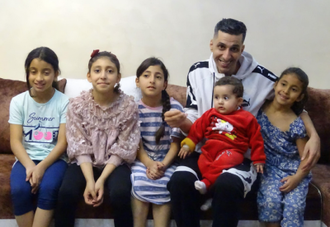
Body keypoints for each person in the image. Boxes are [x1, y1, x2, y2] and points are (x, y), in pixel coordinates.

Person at [164, 18, 320, 227]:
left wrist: (314, 135)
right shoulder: (196, 72)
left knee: (227, 185)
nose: (226, 56)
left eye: (234, 49)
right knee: (179, 181)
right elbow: (192, 115)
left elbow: (291, 102)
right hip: (204, 151)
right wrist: (183, 121)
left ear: (242, 49)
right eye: (221, 47)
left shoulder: (263, 78)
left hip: (239, 156)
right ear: (211, 44)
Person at [55, 50, 140, 227]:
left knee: (120, 193)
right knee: (66, 193)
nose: (103, 76)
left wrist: (100, 180)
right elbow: (79, 145)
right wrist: (90, 181)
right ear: (89, 76)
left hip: (115, 163)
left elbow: (124, 146)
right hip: (84, 163)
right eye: (97, 70)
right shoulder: (77, 105)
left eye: (110, 71)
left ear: (118, 77)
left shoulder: (129, 106)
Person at [9, 47, 69, 227]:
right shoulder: (18, 101)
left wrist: (41, 167)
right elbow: (15, 141)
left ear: (56, 73)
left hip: (55, 159)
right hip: (26, 158)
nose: (39, 78)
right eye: (33, 72)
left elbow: (62, 143)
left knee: (49, 188)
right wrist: (30, 166)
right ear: (27, 73)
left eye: (46, 72)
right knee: (19, 189)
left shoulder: (64, 102)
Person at [179, 77, 265, 195]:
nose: (220, 102)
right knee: (202, 162)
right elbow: (197, 128)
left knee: (224, 161)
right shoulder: (210, 114)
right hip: (210, 149)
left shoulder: (247, 118)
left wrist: (258, 159)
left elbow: (256, 139)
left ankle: (207, 183)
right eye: (216, 97)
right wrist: (188, 144)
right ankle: (210, 188)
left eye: (225, 98)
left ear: (239, 101)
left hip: (232, 151)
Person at [130, 57, 184, 227]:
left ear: (165, 84)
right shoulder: (133, 109)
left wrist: (162, 166)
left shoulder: (174, 108)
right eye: (147, 75)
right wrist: (149, 164)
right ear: (138, 82)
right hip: (143, 160)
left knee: (165, 182)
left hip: (167, 161)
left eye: (158, 77)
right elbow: (137, 145)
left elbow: (176, 144)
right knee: (139, 180)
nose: (152, 80)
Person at [257, 67, 312, 227]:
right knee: (269, 202)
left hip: (295, 172)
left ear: (299, 96)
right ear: (275, 85)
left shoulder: (295, 123)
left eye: (293, 89)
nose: (286, 91)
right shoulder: (260, 107)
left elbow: (306, 158)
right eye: (284, 84)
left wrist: (297, 178)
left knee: (294, 207)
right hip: (269, 170)